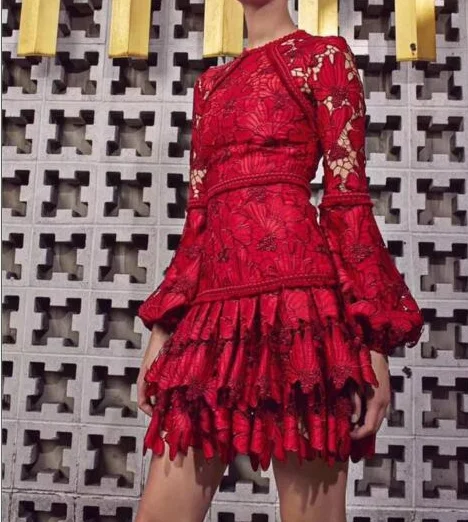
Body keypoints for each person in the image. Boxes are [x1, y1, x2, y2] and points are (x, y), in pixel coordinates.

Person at [135, 2, 424, 521]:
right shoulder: (210, 86)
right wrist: (163, 329)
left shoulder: (324, 57)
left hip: (302, 310)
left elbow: (347, 200)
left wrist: (373, 341)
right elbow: (199, 218)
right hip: (213, 314)